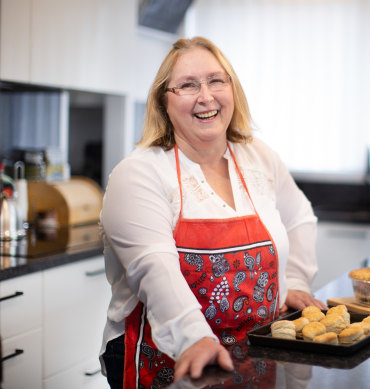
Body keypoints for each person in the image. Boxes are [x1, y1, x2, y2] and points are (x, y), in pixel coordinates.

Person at [99, 36, 326, 388]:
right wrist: (194, 338)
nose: (205, 97)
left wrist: (294, 281)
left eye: (216, 80)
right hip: (169, 360)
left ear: (232, 89)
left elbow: (300, 218)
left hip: (253, 357)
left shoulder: (258, 156)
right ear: (163, 102)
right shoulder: (138, 173)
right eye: (188, 85)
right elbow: (153, 267)